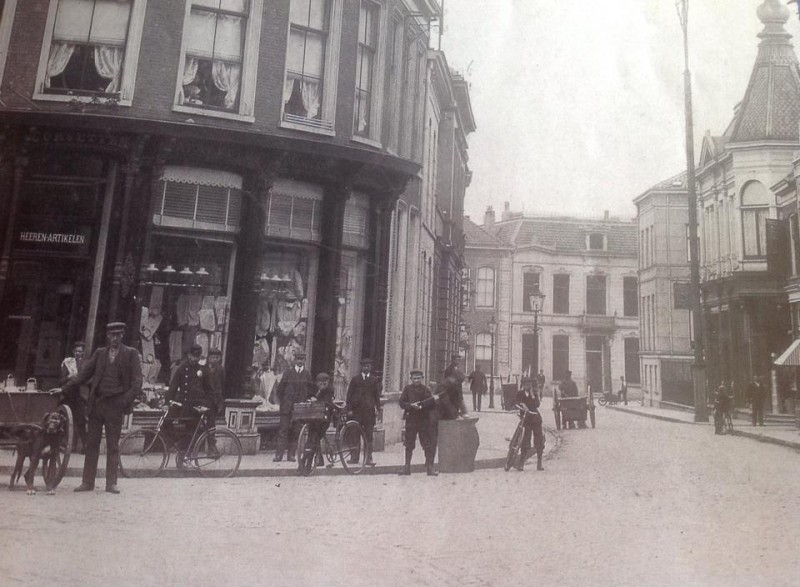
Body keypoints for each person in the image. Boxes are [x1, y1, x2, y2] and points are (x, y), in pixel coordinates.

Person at [63, 322, 142, 494]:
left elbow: (137, 383)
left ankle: (111, 483)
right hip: (97, 403)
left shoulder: (131, 354)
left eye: (118, 335)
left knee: (113, 445)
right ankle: (87, 482)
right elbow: (83, 375)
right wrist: (64, 388)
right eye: (112, 335)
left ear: (123, 335)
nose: (115, 338)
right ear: (107, 336)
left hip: (115, 404)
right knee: (91, 444)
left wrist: (123, 400)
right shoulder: (99, 353)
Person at [165, 344, 219, 458]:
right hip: (183, 405)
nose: (194, 359)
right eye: (192, 356)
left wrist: (206, 405)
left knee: (191, 432)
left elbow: (210, 390)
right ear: (188, 355)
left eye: (197, 356)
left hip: (197, 407)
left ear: (200, 357)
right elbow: (173, 387)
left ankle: (186, 456)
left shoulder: (204, 370)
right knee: (166, 421)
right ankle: (176, 443)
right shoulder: (181, 368)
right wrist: (167, 402)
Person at [273, 352, 314, 462]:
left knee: (296, 431)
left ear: (304, 360)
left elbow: (311, 391)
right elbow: (280, 390)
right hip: (287, 407)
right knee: (283, 430)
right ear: (294, 360)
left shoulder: (307, 374)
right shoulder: (288, 373)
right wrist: (285, 401)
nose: (300, 361)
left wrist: (306, 400)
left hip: (299, 408)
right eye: (298, 359)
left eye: (302, 359)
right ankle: (279, 455)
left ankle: (291, 454)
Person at [398, 369, 440, 476]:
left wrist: (422, 406)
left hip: (423, 420)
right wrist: (411, 405)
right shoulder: (407, 389)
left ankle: (429, 467)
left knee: (427, 444)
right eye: (414, 378)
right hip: (411, 419)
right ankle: (407, 467)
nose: (416, 380)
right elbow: (401, 402)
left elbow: (431, 405)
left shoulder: (426, 390)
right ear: (411, 379)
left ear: (422, 379)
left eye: (419, 378)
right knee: (409, 444)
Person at [346, 357, 382, 466]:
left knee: (368, 436)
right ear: (361, 367)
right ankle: (354, 457)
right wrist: (349, 409)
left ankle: (368, 458)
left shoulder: (374, 380)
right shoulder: (355, 379)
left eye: (368, 366)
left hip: (369, 412)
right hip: (356, 412)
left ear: (370, 367)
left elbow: (377, 397)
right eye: (364, 366)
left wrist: (378, 409)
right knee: (355, 434)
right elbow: (349, 395)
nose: (366, 368)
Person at [59, 340, 88, 452]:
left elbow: (88, 378)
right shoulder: (68, 363)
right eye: (76, 351)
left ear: (83, 353)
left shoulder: (87, 364)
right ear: (73, 351)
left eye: (80, 351)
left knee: (81, 421)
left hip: (80, 396)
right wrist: (68, 377)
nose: (77, 353)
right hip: (69, 395)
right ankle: (67, 445)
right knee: (66, 420)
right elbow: (61, 381)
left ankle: (84, 446)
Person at [302, 372, 335, 470]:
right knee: (313, 438)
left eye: (324, 383)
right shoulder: (316, 390)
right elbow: (308, 397)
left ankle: (307, 463)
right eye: (319, 383)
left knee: (314, 437)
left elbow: (327, 403)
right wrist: (311, 399)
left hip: (324, 419)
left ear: (327, 382)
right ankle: (316, 459)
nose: (322, 385)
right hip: (315, 418)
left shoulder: (329, 391)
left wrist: (316, 400)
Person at [515, 380, 546, 471]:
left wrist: (533, 396)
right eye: (525, 385)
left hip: (535, 419)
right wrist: (521, 404)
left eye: (528, 385)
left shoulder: (534, 394)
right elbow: (516, 402)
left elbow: (537, 404)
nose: (527, 386)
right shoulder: (520, 393)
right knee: (525, 440)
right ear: (523, 385)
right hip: (526, 420)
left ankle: (539, 463)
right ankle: (521, 463)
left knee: (539, 440)